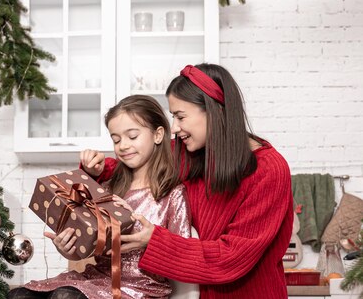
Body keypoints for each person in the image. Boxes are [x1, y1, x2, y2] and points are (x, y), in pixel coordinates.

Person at [81, 63, 293, 299]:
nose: (174, 127)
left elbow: (232, 258)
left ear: (215, 111)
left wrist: (155, 242)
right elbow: (136, 161)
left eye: (180, 116)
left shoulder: (269, 169)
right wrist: (98, 169)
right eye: (173, 116)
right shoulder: (184, 154)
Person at [9, 95, 192, 299]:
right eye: (116, 139)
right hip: (97, 279)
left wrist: (147, 237)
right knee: (19, 295)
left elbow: (183, 257)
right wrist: (69, 249)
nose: (123, 145)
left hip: (142, 289)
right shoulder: (106, 188)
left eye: (132, 136)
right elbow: (90, 247)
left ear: (158, 135)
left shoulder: (173, 194)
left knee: (66, 297)